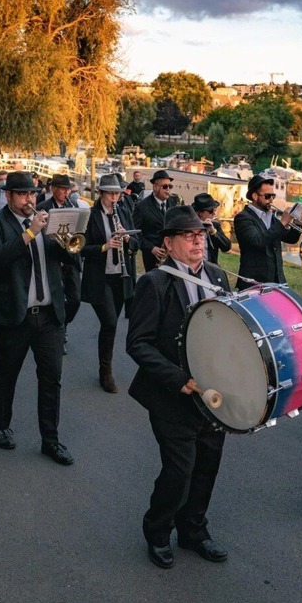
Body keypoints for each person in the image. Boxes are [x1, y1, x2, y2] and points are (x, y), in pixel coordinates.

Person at [126, 205, 232, 569]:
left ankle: (193, 531)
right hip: (173, 395)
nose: (198, 240)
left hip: (213, 395)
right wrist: (178, 379)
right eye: (189, 236)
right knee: (179, 470)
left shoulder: (218, 276)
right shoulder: (154, 282)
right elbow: (137, 343)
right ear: (169, 244)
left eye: (201, 234)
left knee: (208, 465)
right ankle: (157, 530)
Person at [0, 172, 81, 465]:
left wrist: (65, 243)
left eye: (33, 194)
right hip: (15, 315)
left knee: (52, 379)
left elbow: (72, 259)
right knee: (7, 374)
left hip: (49, 315)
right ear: (8, 195)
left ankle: (51, 440)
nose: (29, 200)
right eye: (23, 195)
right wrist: (29, 234)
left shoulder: (47, 221)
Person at [80, 174, 140, 393]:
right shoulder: (90, 216)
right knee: (110, 323)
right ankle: (105, 371)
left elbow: (136, 244)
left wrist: (126, 239)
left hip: (121, 276)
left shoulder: (123, 212)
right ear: (102, 194)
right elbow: (80, 248)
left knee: (110, 326)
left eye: (118, 194)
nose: (115, 198)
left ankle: (105, 368)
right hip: (100, 277)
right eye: (111, 194)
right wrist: (104, 247)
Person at [37, 173, 84, 343]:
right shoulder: (43, 207)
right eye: (63, 189)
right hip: (53, 260)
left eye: (68, 189)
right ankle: (58, 331)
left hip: (71, 259)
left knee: (75, 300)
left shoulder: (74, 206)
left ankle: (63, 324)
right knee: (56, 298)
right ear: (53, 189)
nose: (66, 192)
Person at [233, 175, 301, 286]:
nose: (271, 199)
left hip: (276, 280)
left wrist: (297, 224)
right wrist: (282, 222)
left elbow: (291, 239)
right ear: (255, 196)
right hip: (254, 282)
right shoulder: (243, 218)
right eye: (268, 196)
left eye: (273, 196)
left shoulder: (271, 216)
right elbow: (257, 241)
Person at [134, 170, 180, 272]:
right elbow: (135, 233)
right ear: (155, 187)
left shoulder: (173, 202)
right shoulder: (141, 207)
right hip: (153, 258)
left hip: (173, 254)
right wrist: (151, 248)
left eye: (170, 186)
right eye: (164, 187)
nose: (168, 189)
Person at [192, 193, 230, 264]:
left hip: (210, 267)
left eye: (214, 210)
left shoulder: (214, 225)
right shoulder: (189, 226)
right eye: (211, 211)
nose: (214, 214)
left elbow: (226, 247)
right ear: (200, 213)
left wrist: (213, 232)